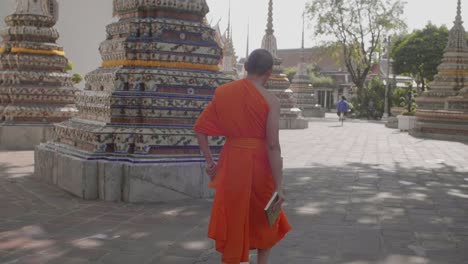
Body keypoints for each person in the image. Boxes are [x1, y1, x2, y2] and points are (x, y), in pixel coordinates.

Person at [194, 49, 291, 264]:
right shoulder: (271, 101)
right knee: (266, 218)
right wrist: (279, 185)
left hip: (232, 164)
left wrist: (211, 163)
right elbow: (273, 146)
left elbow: (200, 129)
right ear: (270, 72)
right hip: (260, 166)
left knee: (235, 215)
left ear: (245, 67)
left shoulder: (225, 92)